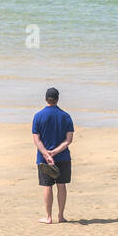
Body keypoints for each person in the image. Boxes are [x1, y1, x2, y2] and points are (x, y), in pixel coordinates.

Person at [32, 87, 74, 224]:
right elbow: (69, 140)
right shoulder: (66, 116)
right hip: (62, 157)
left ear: (45, 99)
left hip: (44, 159)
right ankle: (60, 216)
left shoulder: (38, 116)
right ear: (57, 99)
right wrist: (55, 152)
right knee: (61, 185)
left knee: (47, 186)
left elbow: (36, 139)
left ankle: (48, 217)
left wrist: (46, 154)